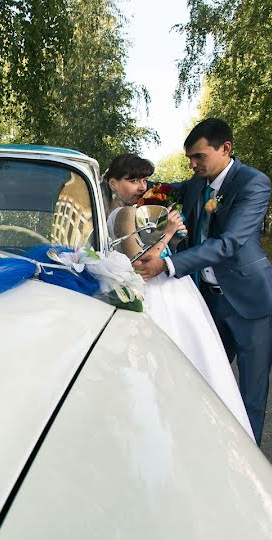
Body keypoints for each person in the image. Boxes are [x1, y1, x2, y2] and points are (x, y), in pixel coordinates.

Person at [132, 119, 272, 445]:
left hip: (249, 302)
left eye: (199, 156)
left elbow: (230, 243)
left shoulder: (253, 183)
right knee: (205, 378)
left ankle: (249, 461)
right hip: (208, 302)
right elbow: (162, 188)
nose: (193, 164)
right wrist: (125, 184)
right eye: (190, 157)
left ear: (225, 149)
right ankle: (208, 448)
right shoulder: (194, 185)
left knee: (251, 392)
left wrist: (168, 264)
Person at [104, 153, 254, 439]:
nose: (141, 186)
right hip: (159, 292)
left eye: (144, 179)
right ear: (113, 182)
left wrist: (170, 238)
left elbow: (153, 249)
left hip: (169, 288)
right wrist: (167, 233)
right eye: (132, 179)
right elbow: (141, 262)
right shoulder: (123, 213)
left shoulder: (131, 211)